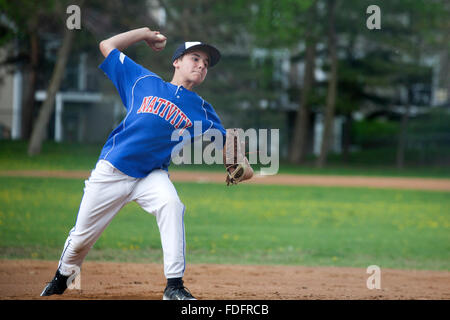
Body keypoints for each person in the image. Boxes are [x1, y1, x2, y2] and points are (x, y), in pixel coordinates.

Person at [40, 27, 227, 300]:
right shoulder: (143, 81)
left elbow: (225, 139)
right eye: (195, 58)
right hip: (113, 170)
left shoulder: (202, 108)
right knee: (80, 239)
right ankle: (63, 276)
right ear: (176, 61)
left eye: (206, 63)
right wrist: (145, 34)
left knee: (171, 205)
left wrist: (237, 162)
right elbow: (107, 44)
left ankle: (174, 287)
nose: (201, 65)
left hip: (151, 175)